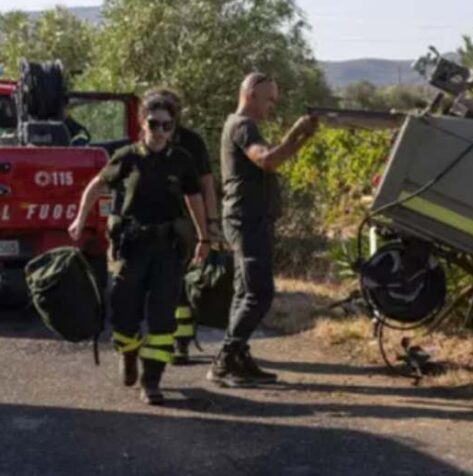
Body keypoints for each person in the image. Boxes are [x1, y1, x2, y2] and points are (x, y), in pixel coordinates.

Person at [69, 94, 209, 405]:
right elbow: (96, 185)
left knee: (162, 318)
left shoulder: (181, 160)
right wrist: (80, 218)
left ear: (173, 127)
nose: (159, 130)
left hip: (167, 250)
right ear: (142, 123)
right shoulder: (127, 158)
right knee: (124, 312)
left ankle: (152, 380)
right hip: (132, 249)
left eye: (166, 125)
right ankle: (128, 354)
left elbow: (194, 198)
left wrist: (204, 237)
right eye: (153, 123)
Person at [208, 72, 318, 387]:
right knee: (259, 293)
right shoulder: (243, 126)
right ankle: (226, 360)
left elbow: (272, 160)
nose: (271, 106)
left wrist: (301, 138)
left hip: (251, 220)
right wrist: (296, 133)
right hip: (247, 220)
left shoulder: (242, 125)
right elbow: (267, 160)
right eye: (269, 99)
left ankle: (238, 356)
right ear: (251, 93)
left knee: (245, 291)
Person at [141, 88, 220, 365]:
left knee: (182, 284)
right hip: (152, 224)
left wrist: (210, 225)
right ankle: (163, 339)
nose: (160, 125)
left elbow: (206, 185)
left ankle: (181, 342)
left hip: (185, 224)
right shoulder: (144, 140)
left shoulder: (191, 142)